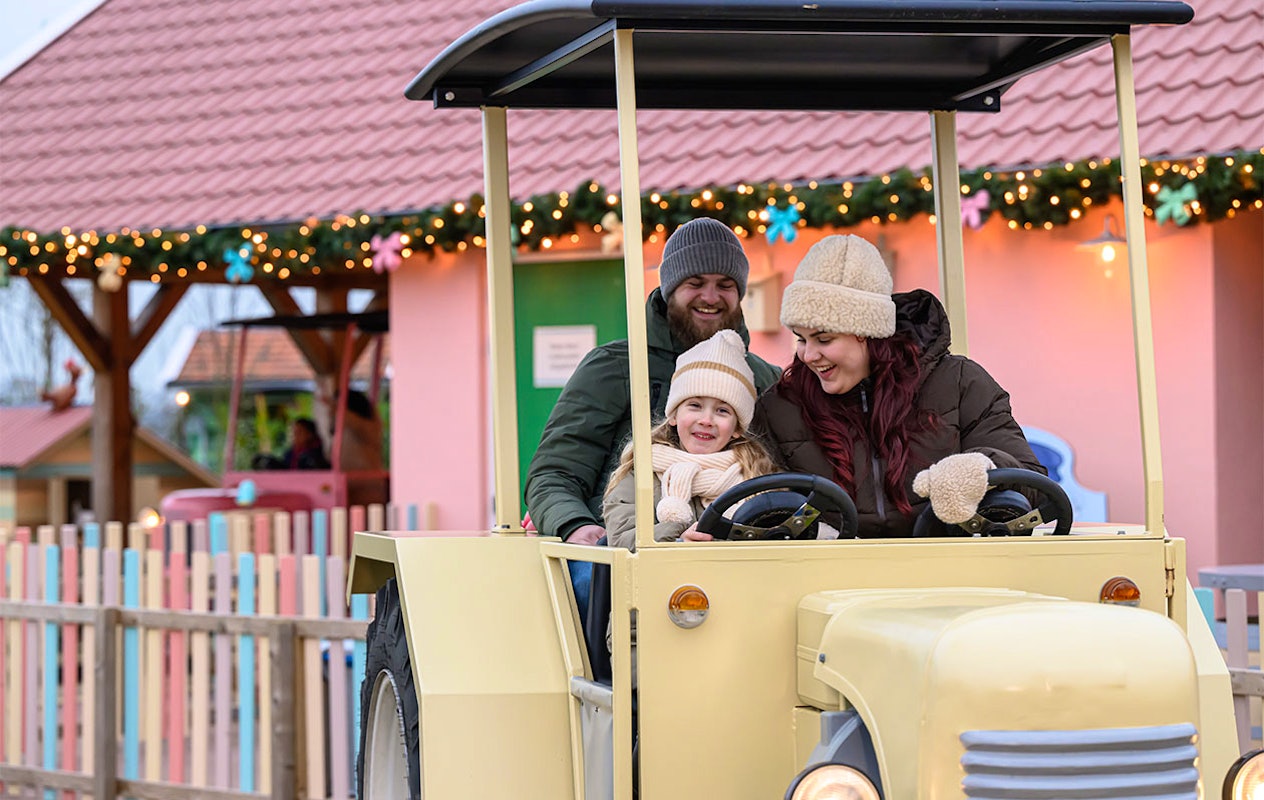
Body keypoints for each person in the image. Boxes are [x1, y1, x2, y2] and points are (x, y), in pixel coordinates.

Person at [752, 234, 1045, 537]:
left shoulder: (959, 383)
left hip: (951, 576)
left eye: (824, 339)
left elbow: (1033, 485)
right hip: (829, 579)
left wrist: (983, 467)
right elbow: (749, 498)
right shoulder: (781, 407)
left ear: (868, 333)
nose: (809, 356)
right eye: (801, 338)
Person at [525, 217, 781, 543]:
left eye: (725, 285)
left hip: (730, 555)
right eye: (695, 283)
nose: (711, 296)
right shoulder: (616, 367)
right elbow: (555, 472)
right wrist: (574, 524)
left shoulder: (764, 378)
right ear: (670, 288)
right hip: (622, 550)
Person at [602, 330, 779, 549]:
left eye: (722, 411)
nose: (706, 420)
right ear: (674, 415)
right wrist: (678, 539)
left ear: (737, 428)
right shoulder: (641, 475)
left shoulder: (757, 476)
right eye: (694, 405)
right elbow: (621, 538)